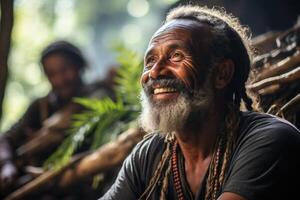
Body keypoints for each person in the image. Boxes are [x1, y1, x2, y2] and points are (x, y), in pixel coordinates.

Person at [101, 5, 300, 200]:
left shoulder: (270, 140)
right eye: (150, 60)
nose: (155, 71)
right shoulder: (149, 155)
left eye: (176, 56)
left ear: (222, 74)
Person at [0, 41, 90, 195]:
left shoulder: (100, 97)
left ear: (79, 65)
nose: (60, 79)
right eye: (52, 74)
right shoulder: (40, 106)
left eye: (65, 69)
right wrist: (7, 165)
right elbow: (6, 139)